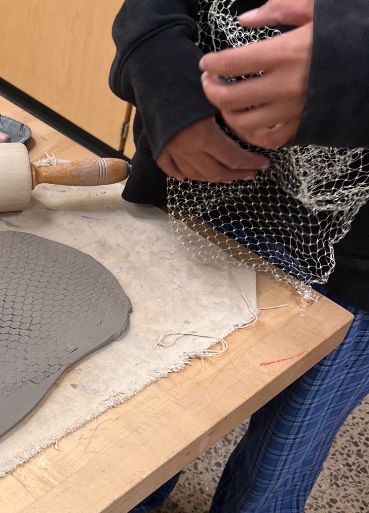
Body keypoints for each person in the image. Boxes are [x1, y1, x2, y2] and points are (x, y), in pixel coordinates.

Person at [109, 0, 369, 511]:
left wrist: (352, 59)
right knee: (153, 425)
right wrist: (166, 85)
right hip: (194, 194)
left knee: (278, 465)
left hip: (356, 262)